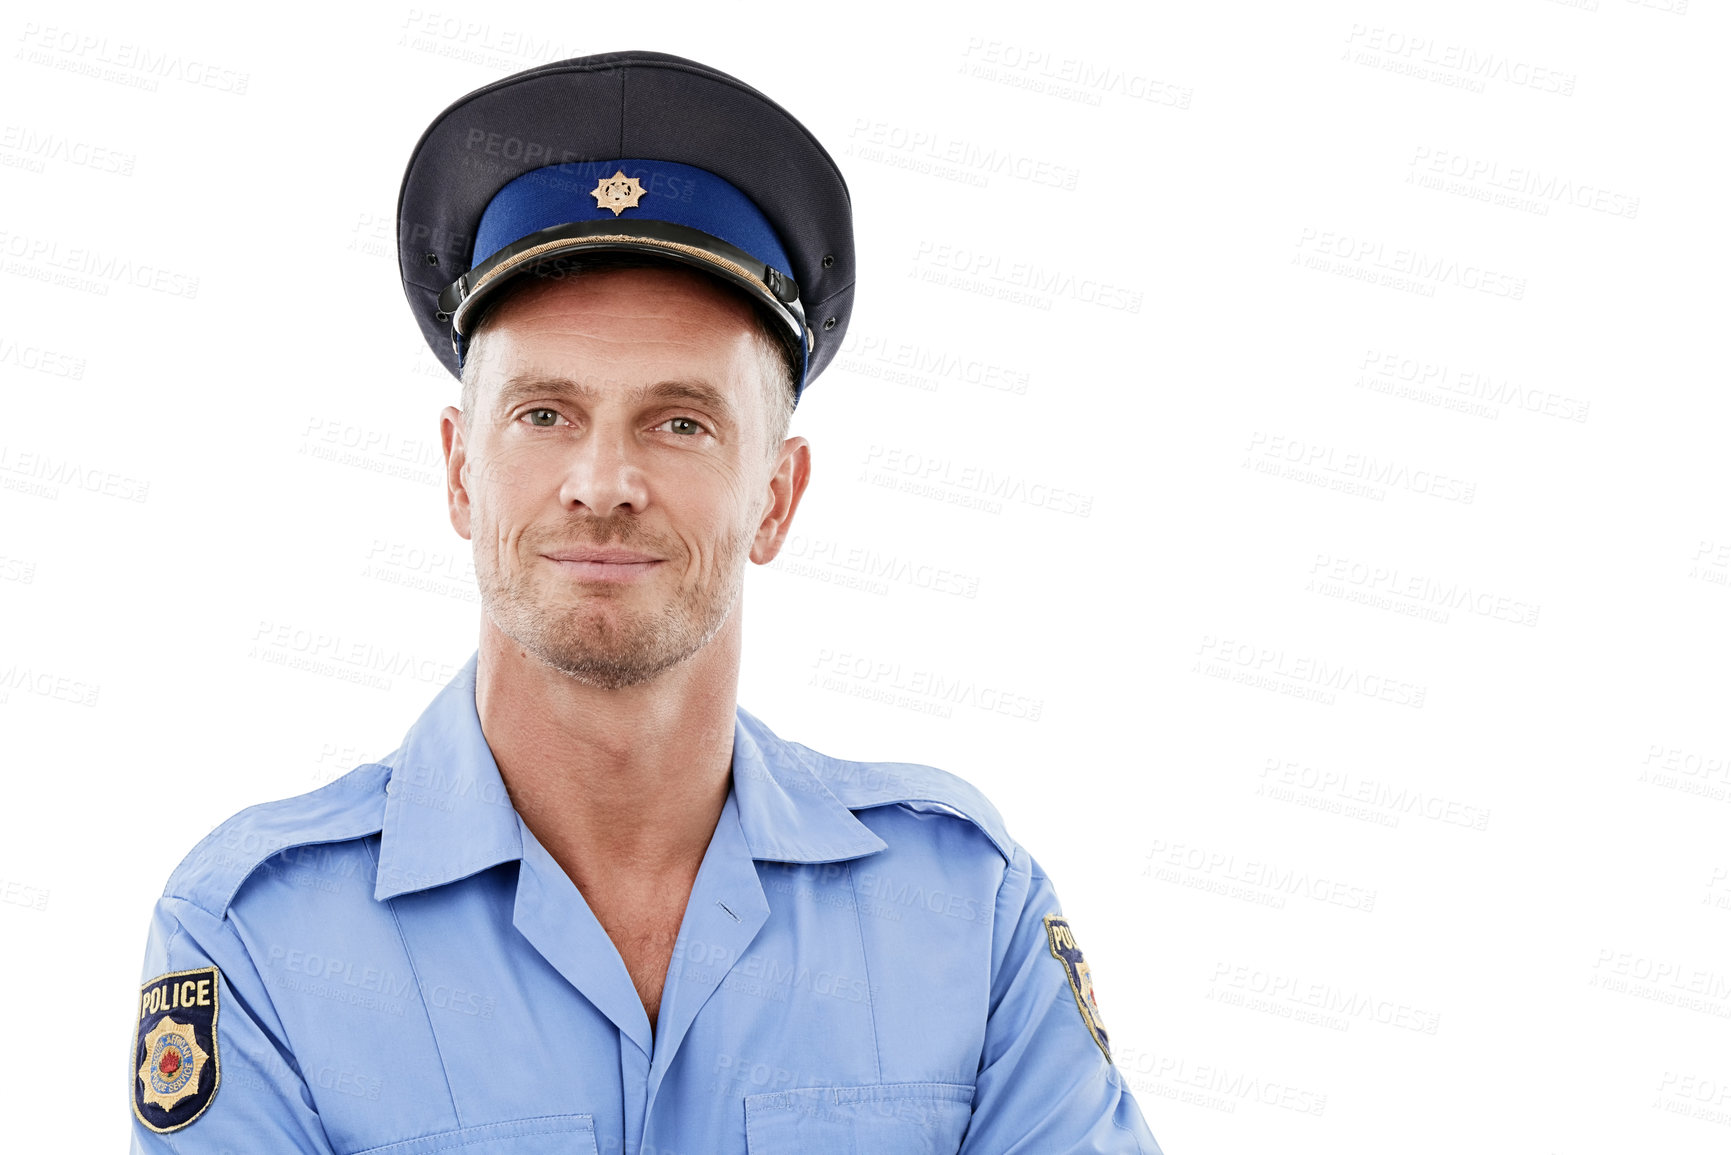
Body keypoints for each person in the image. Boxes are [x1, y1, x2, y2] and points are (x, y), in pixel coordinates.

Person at [130, 50, 1160, 1154]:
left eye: (681, 422)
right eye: (542, 414)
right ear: (458, 474)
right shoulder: (257, 934)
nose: (604, 481)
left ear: (778, 495)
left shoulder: (965, 911)